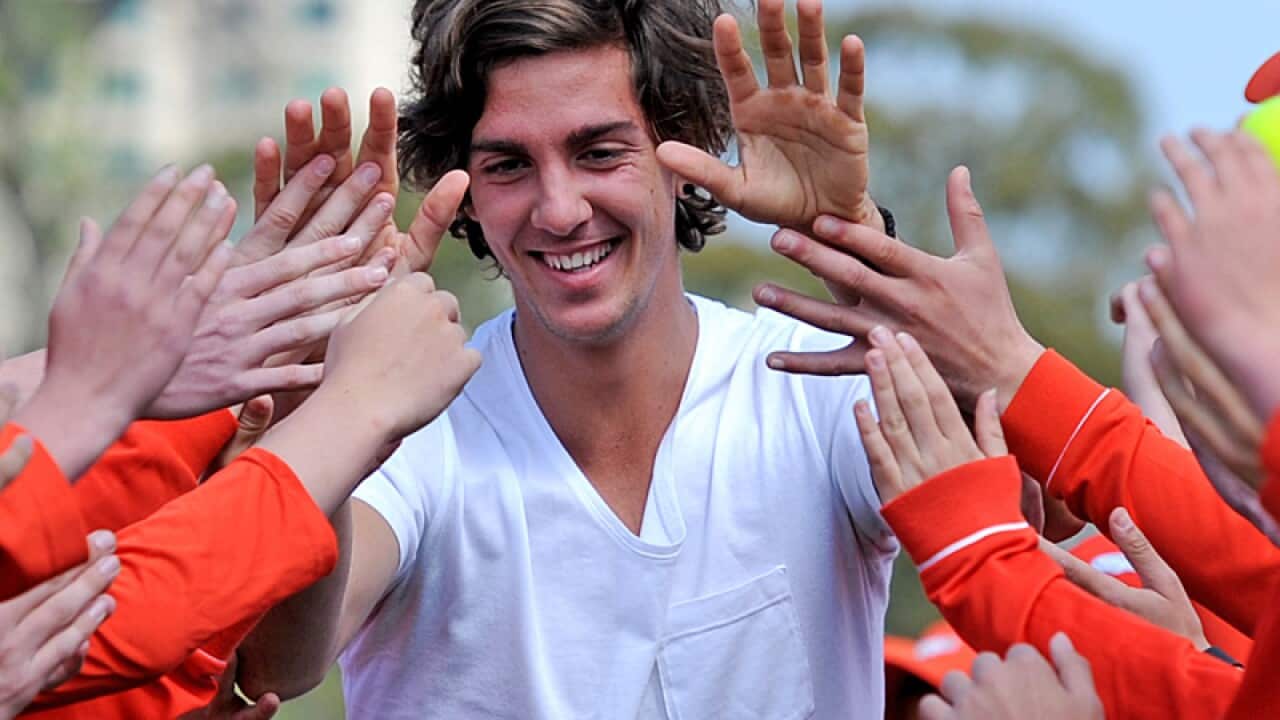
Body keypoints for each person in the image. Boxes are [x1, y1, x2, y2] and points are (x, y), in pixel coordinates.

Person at [238, 1, 902, 717]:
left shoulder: (818, 387)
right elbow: (281, 664)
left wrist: (853, 242)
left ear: (684, 152)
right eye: (509, 165)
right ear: (462, 194)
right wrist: (317, 397)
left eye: (599, 152)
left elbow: (1021, 509)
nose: (558, 210)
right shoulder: (406, 429)